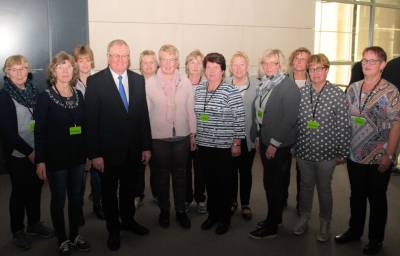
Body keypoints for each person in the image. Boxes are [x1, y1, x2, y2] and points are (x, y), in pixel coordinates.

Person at [85, 39, 151, 251]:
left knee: (129, 190)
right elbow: (91, 121)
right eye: (116, 55)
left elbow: (143, 116)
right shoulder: (95, 82)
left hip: (133, 150)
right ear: (108, 56)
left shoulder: (138, 80)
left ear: (129, 57)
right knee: (109, 193)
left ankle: (129, 221)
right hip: (107, 153)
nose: (121, 59)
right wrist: (94, 154)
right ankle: (113, 229)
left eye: (125, 55)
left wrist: (146, 146)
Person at [335, 46, 400, 255]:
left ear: (382, 65)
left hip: (379, 155)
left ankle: (375, 239)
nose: (367, 64)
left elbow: (397, 124)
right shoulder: (353, 88)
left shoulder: (391, 91)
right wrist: (342, 148)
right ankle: (354, 231)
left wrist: (389, 155)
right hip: (355, 153)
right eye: (364, 60)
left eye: (372, 61)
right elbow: (346, 121)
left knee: (377, 197)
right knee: (357, 195)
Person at [35, 52, 90, 255]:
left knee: (76, 198)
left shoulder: (79, 95)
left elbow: (84, 127)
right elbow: (39, 131)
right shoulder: (45, 97)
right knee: (58, 200)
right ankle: (62, 238)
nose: (65, 70)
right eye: (60, 67)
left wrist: (87, 155)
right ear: (53, 71)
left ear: (73, 70)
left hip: (77, 158)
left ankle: (75, 234)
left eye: (68, 67)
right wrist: (40, 161)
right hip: (56, 159)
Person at [293, 54, 350, 242]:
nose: (315, 73)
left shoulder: (336, 94)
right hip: (303, 151)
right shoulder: (302, 92)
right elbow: (295, 122)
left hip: (327, 154)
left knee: (324, 188)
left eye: (319, 68)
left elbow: (344, 125)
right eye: (312, 69)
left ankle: (325, 222)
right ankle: (304, 217)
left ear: (326, 70)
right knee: (305, 186)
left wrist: (342, 151)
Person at [0, 55, 53, 250]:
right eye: (14, 69)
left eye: (23, 68)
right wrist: (30, 152)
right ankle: (17, 230)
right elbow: (8, 133)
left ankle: (34, 223)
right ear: (7, 73)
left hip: (37, 151)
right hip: (18, 154)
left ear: (28, 70)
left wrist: (41, 150)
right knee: (20, 192)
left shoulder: (35, 92)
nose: (19, 73)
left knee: (36, 188)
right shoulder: (4, 96)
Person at [249, 49, 300, 239]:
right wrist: (257, 137)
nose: (269, 66)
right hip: (264, 140)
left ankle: (272, 227)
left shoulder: (288, 86)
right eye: (265, 63)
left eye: (273, 63)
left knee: (275, 185)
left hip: (278, 145)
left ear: (281, 65)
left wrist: (274, 144)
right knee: (269, 183)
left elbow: (289, 119)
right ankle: (273, 218)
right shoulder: (265, 84)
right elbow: (259, 113)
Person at [145, 44, 196, 229]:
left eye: (171, 59)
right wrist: (146, 141)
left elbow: (190, 109)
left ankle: (181, 210)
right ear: (160, 61)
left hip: (181, 136)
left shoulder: (186, 81)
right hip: (159, 139)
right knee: (161, 176)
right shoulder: (149, 83)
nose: (168, 63)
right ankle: (165, 210)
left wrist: (192, 134)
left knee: (181, 176)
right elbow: (145, 114)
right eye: (164, 59)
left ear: (177, 61)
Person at [195, 52, 245, 235]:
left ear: (223, 70)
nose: (212, 71)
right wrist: (195, 136)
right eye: (208, 67)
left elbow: (239, 118)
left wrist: (236, 143)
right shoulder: (199, 89)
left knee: (224, 184)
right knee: (210, 183)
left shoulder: (230, 91)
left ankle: (224, 218)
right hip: (204, 145)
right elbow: (197, 115)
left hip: (224, 146)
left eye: (216, 67)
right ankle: (212, 215)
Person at [72, 44, 104, 222]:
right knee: (79, 177)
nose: (84, 64)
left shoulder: (98, 80)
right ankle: (77, 210)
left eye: (87, 59)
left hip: (97, 134)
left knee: (98, 175)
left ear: (92, 60)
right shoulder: (70, 82)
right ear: (75, 62)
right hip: (77, 136)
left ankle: (98, 205)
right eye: (80, 60)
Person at [225, 51, 258, 220]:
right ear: (230, 67)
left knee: (245, 172)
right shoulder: (223, 84)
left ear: (247, 66)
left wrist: (258, 137)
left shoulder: (257, 85)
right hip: (228, 138)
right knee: (230, 172)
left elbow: (261, 114)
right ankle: (232, 202)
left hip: (248, 138)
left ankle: (245, 203)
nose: (238, 68)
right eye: (235, 65)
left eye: (242, 64)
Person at [285, 47, 311, 213]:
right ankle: (281, 199)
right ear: (292, 61)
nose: (299, 61)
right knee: (282, 170)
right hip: (285, 132)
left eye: (304, 59)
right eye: (296, 58)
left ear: (309, 63)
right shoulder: (283, 81)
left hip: (306, 134)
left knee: (303, 173)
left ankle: (302, 204)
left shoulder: (314, 82)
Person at [135, 49, 159, 208]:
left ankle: (158, 194)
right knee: (137, 166)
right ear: (140, 65)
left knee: (157, 166)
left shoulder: (162, 83)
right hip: (137, 133)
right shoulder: (134, 82)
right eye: (145, 63)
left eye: (152, 62)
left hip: (157, 133)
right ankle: (137, 193)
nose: (149, 66)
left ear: (156, 65)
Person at [184, 49, 207, 214]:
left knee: (201, 169)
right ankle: (186, 198)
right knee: (184, 169)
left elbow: (207, 114)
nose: (195, 65)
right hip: (183, 134)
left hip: (202, 134)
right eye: (192, 62)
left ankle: (200, 199)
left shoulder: (208, 86)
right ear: (186, 65)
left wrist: (198, 124)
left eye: (199, 62)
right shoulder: (180, 84)